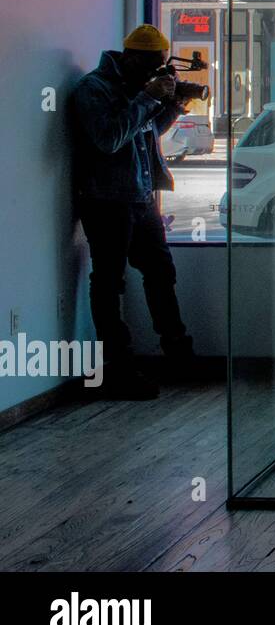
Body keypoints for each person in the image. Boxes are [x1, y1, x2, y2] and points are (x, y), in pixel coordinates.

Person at [70, 24, 198, 399]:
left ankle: (177, 354)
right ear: (131, 59)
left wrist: (173, 104)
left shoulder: (132, 86)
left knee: (161, 273)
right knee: (109, 281)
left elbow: (146, 132)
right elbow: (109, 138)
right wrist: (146, 97)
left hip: (140, 198)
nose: (156, 73)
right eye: (153, 66)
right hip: (106, 200)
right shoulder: (93, 89)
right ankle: (121, 368)